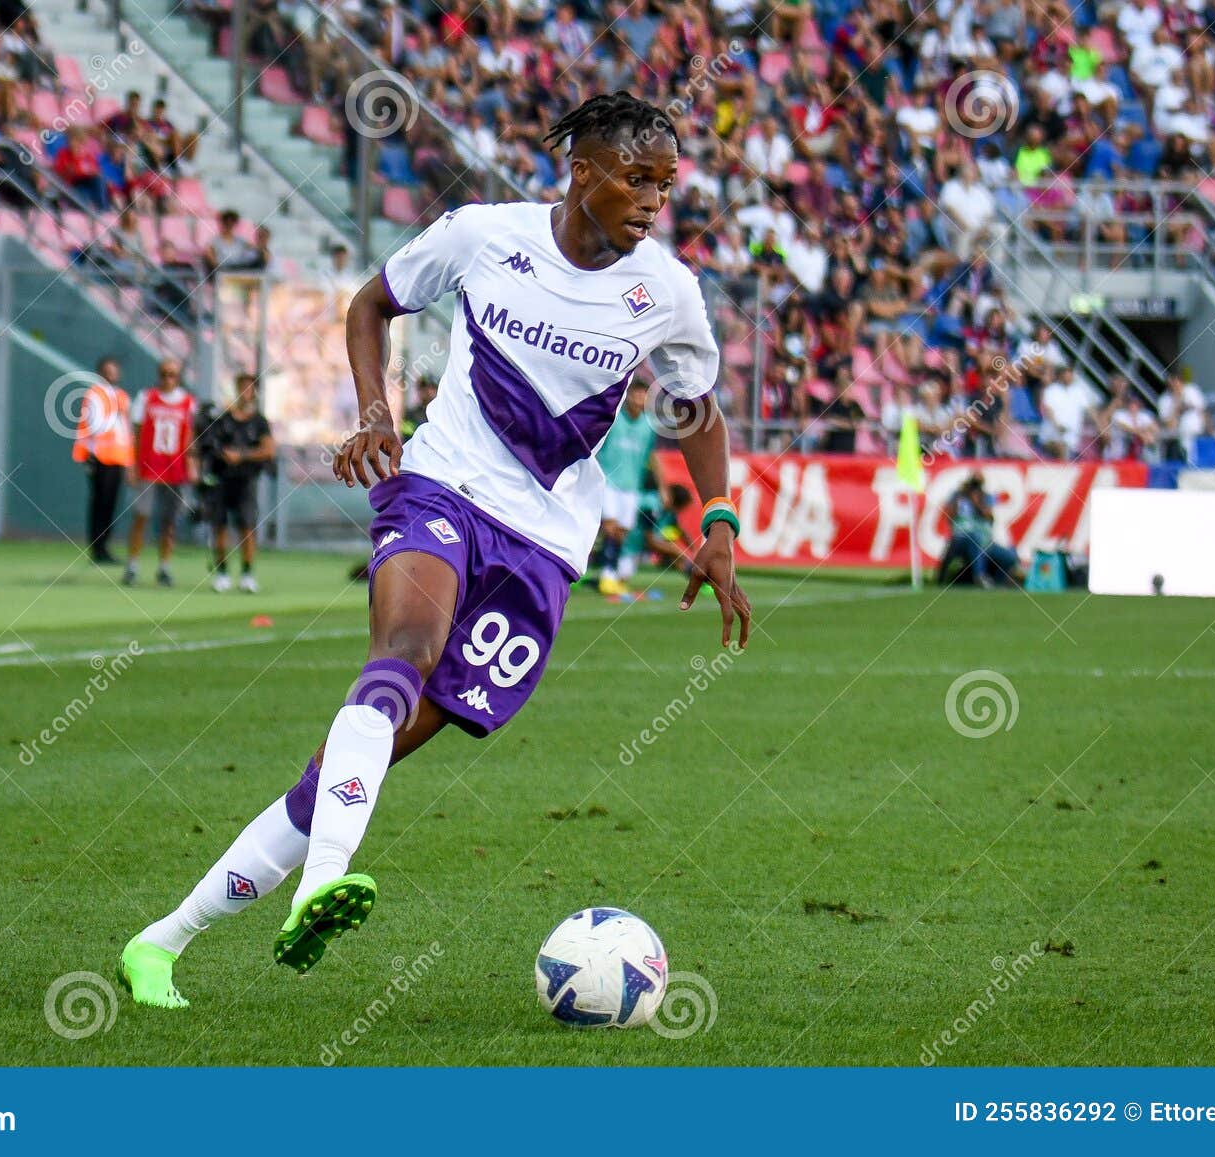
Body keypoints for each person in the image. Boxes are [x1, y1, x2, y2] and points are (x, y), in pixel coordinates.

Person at [118, 93, 752, 1007]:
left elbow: (696, 410)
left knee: (357, 762)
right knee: (401, 654)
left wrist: (720, 520)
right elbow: (372, 305)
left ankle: (161, 942)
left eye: (665, 183)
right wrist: (377, 414)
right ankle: (322, 880)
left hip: (542, 548)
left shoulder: (669, 292)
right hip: (439, 485)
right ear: (581, 172)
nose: (654, 199)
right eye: (635, 177)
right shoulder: (483, 235)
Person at [123, 359, 197, 587]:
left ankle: (164, 566)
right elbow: (134, 433)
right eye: (164, 374)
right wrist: (131, 465)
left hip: (175, 468)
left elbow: (190, 436)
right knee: (141, 517)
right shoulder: (146, 398)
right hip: (148, 466)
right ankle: (132, 565)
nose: (168, 379)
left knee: (169, 522)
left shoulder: (188, 402)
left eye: (172, 374)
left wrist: (193, 464)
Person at [206, 373, 275, 593]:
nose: (246, 392)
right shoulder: (223, 419)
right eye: (243, 387)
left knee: (247, 527)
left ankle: (247, 573)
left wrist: (242, 455)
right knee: (220, 527)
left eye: (250, 388)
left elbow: (268, 450)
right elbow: (208, 445)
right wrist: (221, 454)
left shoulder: (259, 422)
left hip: (246, 480)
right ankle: (222, 572)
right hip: (222, 479)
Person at [594, 378, 656, 597]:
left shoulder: (649, 426)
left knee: (622, 531)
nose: (640, 399)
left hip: (632, 486)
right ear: (628, 396)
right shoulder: (615, 420)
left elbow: (651, 457)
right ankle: (607, 575)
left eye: (643, 395)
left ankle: (613, 573)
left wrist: (662, 486)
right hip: (608, 481)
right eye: (636, 394)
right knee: (609, 526)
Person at [71, 356, 133, 564]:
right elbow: (96, 425)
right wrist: (115, 412)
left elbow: (126, 429)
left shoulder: (121, 396)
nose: (111, 374)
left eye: (114, 370)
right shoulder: (95, 395)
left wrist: (130, 458)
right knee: (100, 504)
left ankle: (105, 546)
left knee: (111, 505)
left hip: (117, 457)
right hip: (100, 457)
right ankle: (97, 549)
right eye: (107, 370)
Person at [940, 473, 1019, 588]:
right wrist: (960, 497)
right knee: (975, 538)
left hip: (985, 541)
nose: (975, 488)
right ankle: (979, 576)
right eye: (973, 485)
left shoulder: (986, 497)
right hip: (962, 538)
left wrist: (977, 503)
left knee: (1009, 558)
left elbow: (990, 517)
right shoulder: (958, 496)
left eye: (978, 485)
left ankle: (997, 583)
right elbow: (948, 515)